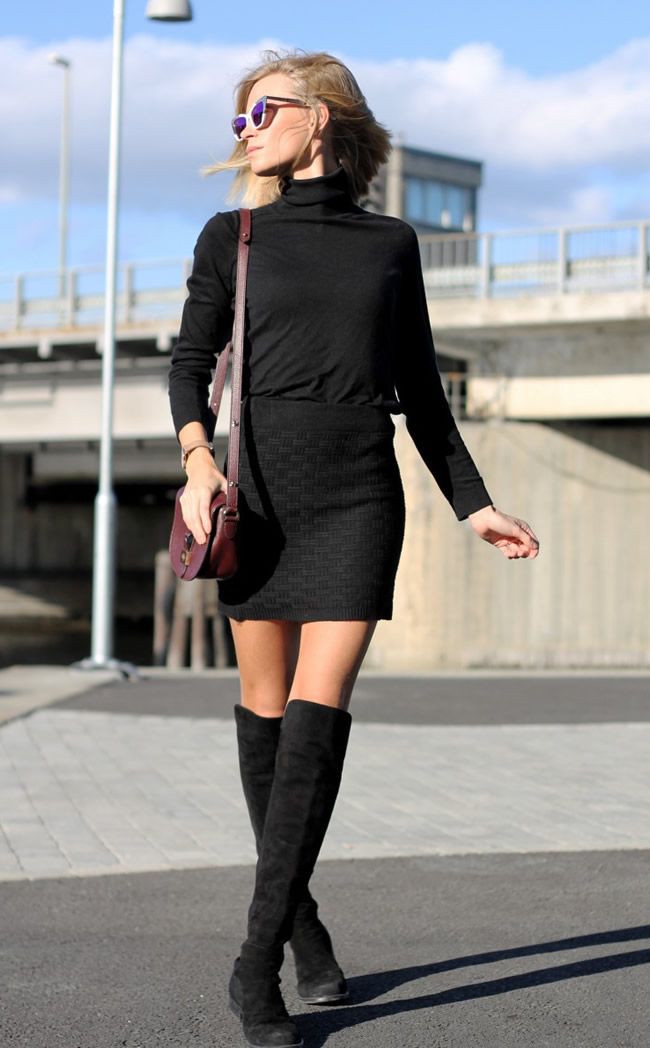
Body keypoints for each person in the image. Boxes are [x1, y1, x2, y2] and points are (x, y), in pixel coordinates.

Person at [168, 48, 539, 1048]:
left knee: (316, 715)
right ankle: (304, 925)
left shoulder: (389, 243)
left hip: (358, 493)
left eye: (263, 113)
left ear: (321, 116)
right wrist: (198, 461)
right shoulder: (233, 234)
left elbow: (421, 390)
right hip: (254, 492)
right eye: (239, 120)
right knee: (264, 713)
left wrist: (473, 505)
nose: (247, 132)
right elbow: (190, 361)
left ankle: (254, 965)